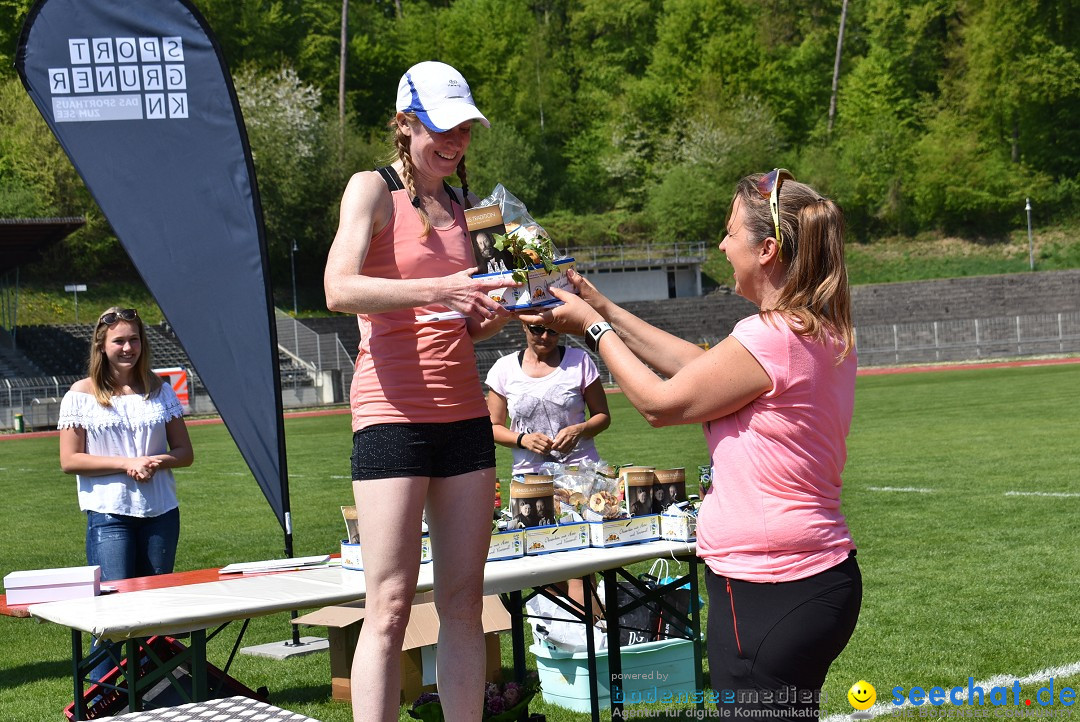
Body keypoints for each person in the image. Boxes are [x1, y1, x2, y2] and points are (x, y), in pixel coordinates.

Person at [524, 170, 861, 720]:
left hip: (768, 583)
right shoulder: (814, 330)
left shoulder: (768, 337)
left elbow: (660, 404)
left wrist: (593, 329)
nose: (722, 246)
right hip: (812, 578)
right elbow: (700, 369)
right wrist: (603, 308)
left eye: (730, 233)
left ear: (768, 249)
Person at [323, 60, 513, 722]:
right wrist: (442, 289)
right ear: (405, 124)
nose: (456, 143)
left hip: (463, 416)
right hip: (391, 416)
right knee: (391, 605)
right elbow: (338, 288)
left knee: (465, 601)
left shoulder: (471, 210)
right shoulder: (370, 190)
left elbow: (470, 310)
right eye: (442, 129)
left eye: (465, 130)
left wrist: (484, 316)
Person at [57, 306, 194, 684]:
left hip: (162, 513)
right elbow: (70, 460)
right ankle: (97, 700)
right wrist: (126, 463)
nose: (128, 347)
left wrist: (155, 461)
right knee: (112, 617)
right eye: (119, 340)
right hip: (109, 514)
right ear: (101, 345)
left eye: (134, 339)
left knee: (151, 615)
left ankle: (146, 695)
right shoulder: (80, 395)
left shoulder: (159, 390)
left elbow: (185, 453)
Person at [486, 322, 611, 476]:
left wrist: (579, 430)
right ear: (524, 326)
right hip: (529, 475)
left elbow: (603, 416)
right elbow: (492, 427)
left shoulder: (579, 360)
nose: (545, 336)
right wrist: (522, 439)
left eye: (553, 330)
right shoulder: (504, 368)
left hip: (579, 471)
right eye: (537, 329)